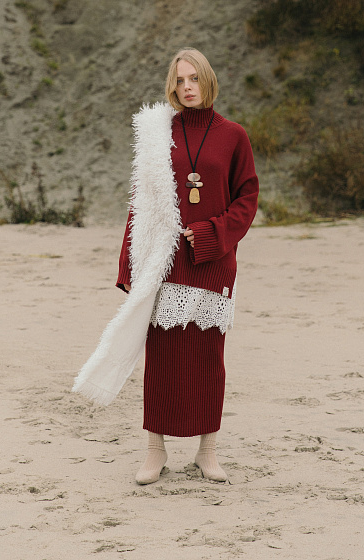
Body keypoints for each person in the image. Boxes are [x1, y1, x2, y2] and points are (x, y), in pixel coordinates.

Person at [115, 47, 259, 485]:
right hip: (164, 261)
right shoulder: (160, 134)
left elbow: (247, 198)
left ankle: (207, 452)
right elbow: (141, 201)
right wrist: (128, 266)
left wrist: (213, 234)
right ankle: (154, 451)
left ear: (208, 80)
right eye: (179, 80)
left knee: (208, 360)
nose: (187, 87)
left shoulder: (233, 135)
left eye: (194, 78)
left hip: (213, 262)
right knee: (161, 360)